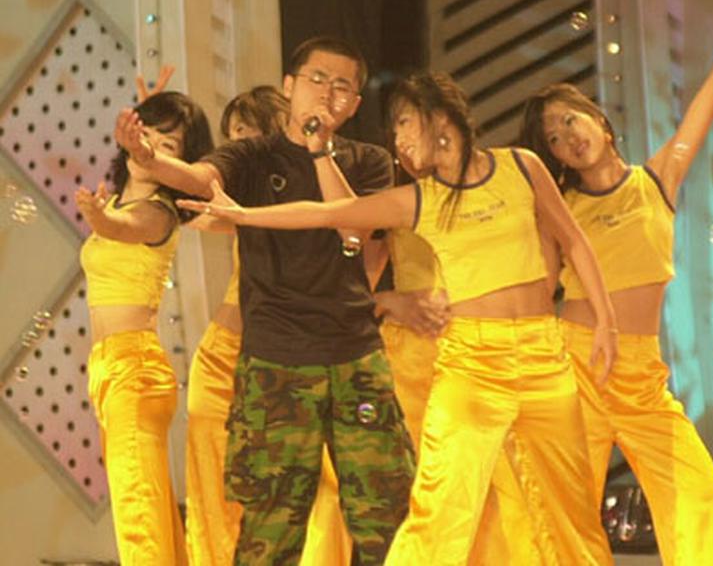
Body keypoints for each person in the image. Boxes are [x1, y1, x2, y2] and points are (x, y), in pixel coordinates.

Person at [177, 70, 619, 565]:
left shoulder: (523, 165)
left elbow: (574, 241)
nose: (400, 142)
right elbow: (328, 214)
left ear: (439, 115)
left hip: (544, 358)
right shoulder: (417, 199)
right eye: (395, 131)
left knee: (572, 506)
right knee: (437, 507)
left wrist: (606, 321)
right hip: (471, 364)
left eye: (405, 124)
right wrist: (246, 214)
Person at [113, 36, 415, 564]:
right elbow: (201, 177)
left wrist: (320, 151)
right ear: (290, 87)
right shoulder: (252, 156)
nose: (328, 94)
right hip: (275, 365)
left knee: (384, 515)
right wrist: (152, 161)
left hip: (356, 361)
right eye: (317, 80)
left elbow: (351, 228)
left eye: (342, 87)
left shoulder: (369, 162)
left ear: (355, 106)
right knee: (270, 524)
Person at [518, 0, 713, 564]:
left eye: (570, 120)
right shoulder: (556, 209)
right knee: (563, 511)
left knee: (701, 497)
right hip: (575, 366)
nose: (566, 137)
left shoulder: (657, 179)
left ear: (600, 122)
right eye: (553, 138)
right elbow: (533, 295)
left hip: (641, 376)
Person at [76, 90, 214, 564]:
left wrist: (99, 217)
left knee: (140, 523)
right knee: (147, 515)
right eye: (144, 135)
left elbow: (123, 227)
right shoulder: (119, 196)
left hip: (134, 370)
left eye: (166, 145)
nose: (146, 147)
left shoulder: (160, 212)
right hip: (111, 369)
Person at [182, 85, 290, 566]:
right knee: (211, 477)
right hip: (220, 354)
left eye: (244, 132)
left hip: (280, 361)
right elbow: (193, 207)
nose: (235, 144)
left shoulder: (304, 199)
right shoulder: (230, 205)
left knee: (275, 488)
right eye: (230, 135)